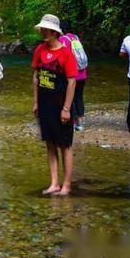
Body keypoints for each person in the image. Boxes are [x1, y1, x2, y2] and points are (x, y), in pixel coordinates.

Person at [32, 14, 78, 196]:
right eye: (42, 29)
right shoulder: (39, 51)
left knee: (64, 144)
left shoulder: (66, 53)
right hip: (45, 104)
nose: (42, 32)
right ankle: (54, 183)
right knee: (50, 144)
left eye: (45, 30)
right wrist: (35, 102)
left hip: (61, 105)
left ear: (54, 32)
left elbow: (72, 82)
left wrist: (66, 108)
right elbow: (36, 77)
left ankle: (66, 184)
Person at [60, 21, 88, 132]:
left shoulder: (63, 40)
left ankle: (73, 123)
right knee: (79, 97)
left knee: (70, 98)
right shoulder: (75, 38)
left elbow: (64, 58)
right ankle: (80, 123)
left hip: (72, 75)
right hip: (83, 73)